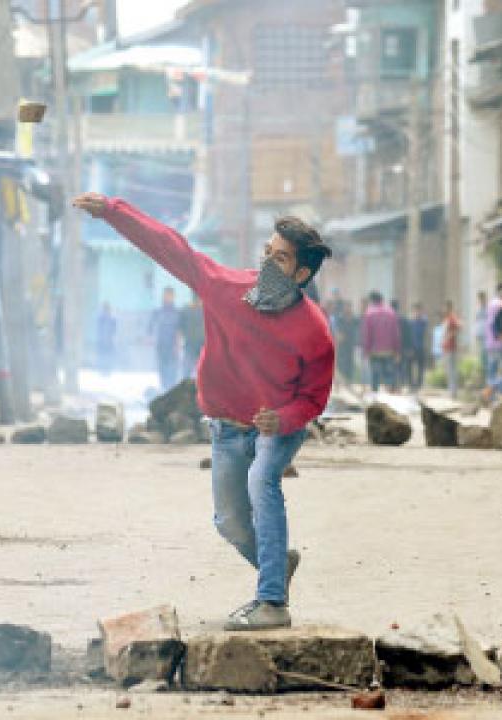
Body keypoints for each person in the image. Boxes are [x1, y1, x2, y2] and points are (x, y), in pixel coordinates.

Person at [73, 191, 333, 631]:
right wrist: (113, 211)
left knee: (261, 482)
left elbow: (314, 399)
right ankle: (276, 562)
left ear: (302, 274)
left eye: (282, 260)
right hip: (228, 428)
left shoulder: (314, 332)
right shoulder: (224, 289)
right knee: (229, 521)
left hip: (277, 427)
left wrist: (284, 419)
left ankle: (272, 603)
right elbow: (171, 246)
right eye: (268, 253)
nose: (269, 264)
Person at [360, 293, 401, 393]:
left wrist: (366, 350)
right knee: (389, 375)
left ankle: (375, 397)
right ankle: (390, 394)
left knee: (375, 376)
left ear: (372, 301)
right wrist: (397, 350)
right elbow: (396, 333)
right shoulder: (391, 313)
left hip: (375, 351)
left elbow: (367, 334)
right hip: (389, 351)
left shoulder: (369, 313)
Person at [149, 287, 182, 390]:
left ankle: (171, 391)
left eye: (170, 295)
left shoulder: (178, 312)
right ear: (163, 296)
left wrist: (178, 345)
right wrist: (150, 339)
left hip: (173, 346)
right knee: (162, 371)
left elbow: (180, 330)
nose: (168, 297)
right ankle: (163, 390)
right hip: (161, 345)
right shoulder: (158, 312)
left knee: (172, 372)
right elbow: (150, 327)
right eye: (166, 295)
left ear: (173, 297)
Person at [483, 283, 502, 402]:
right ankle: (496, 394)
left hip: (491, 342)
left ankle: (490, 397)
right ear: (501, 291)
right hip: (498, 342)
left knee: (492, 370)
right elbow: (494, 323)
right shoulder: (498, 304)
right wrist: (499, 336)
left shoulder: (491, 303)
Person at [180, 295, 206, 379]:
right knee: (187, 370)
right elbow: (180, 328)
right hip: (190, 345)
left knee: (203, 371)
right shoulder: (186, 310)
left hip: (203, 345)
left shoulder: (206, 310)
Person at [405, 303, 429, 391]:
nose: (417, 313)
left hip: (420, 347)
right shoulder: (410, 323)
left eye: (419, 311)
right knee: (409, 367)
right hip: (411, 348)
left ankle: (419, 384)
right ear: (413, 311)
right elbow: (407, 336)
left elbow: (425, 322)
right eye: (416, 311)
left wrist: (421, 316)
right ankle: (410, 385)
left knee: (420, 367)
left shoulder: (423, 322)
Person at [441, 301, 462, 399]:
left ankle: (453, 392)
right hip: (447, 347)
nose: (444, 309)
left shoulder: (452, 318)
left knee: (452, 370)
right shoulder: (448, 318)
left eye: (445, 307)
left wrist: (449, 336)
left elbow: (459, 327)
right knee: (450, 370)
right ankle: (452, 391)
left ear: (449, 307)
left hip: (451, 347)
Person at [96, 302, 118, 375]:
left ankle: (107, 370)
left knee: (108, 356)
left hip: (108, 341)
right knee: (103, 356)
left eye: (107, 309)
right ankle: (103, 370)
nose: (106, 311)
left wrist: (112, 338)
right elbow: (99, 330)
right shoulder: (100, 319)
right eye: (105, 309)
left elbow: (114, 331)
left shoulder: (112, 319)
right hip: (102, 341)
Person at [474, 291, 489, 387]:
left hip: (488, 337)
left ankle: (487, 382)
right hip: (481, 337)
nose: (480, 301)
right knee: (482, 360)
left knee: (486, 359)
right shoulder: (478, 310)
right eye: (479, 299)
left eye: (482, 298)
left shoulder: (488, 309)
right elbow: (477, 323)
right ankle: (484, 382)